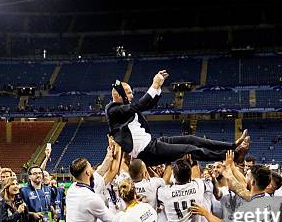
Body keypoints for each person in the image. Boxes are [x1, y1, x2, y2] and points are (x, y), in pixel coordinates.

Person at [106, 70, 250, 166]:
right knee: (189, 149)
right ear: (118, 95)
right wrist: (153, 85)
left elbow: (147, 105)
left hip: (152, 143)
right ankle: (233, 156)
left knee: (191, 139)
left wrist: (158, 88)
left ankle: (233, 146)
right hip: (146, 152)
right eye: (129, 93)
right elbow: (137, 106)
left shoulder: (124, 109)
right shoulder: (113, 110)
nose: (131, 96)